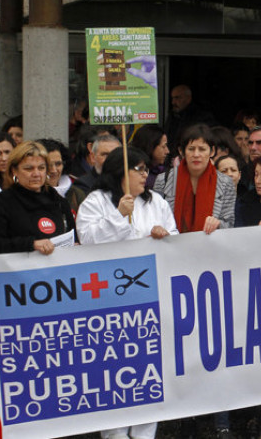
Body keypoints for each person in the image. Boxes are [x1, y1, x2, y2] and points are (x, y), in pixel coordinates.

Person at [76, 147, 176, 439]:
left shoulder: (156, 201)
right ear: (122, 172)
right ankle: (115, 433)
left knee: (149, 367)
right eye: (140, 169)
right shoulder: (95, 202)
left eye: (147, 169)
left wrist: (165, 237)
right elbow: (89, 241)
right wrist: (119, 215)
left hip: (148, 295)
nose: (146, 175)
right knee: (112, 368)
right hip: (108, 297)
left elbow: (176, 238)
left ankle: (145, 432)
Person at [0, 141, 77, 255]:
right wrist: (30, 244)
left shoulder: (59, 202)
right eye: (29, 168)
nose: (36, 174)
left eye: (41, 168)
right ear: (14, 170)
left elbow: (72, 236)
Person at [163, 124, 236, 233]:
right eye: (191, 149)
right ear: (181, 151)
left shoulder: (226, 183)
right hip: (173, 246)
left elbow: (229, 224)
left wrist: (218, 224)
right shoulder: (164, 179)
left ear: (212, 152)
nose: (196, 154)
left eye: (202, 149)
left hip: (209, 246)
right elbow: (155, 219)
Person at [164, 84, 216, 155]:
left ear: (188, 99)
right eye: (172, 98)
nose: (173, 102)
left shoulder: (201, 116)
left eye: (177, 98)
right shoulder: (172, 116)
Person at [129, 124, 170, 192]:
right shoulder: (133, 174)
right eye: (163, 146)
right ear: (150, 146)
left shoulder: (166, 172)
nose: (167, 151)